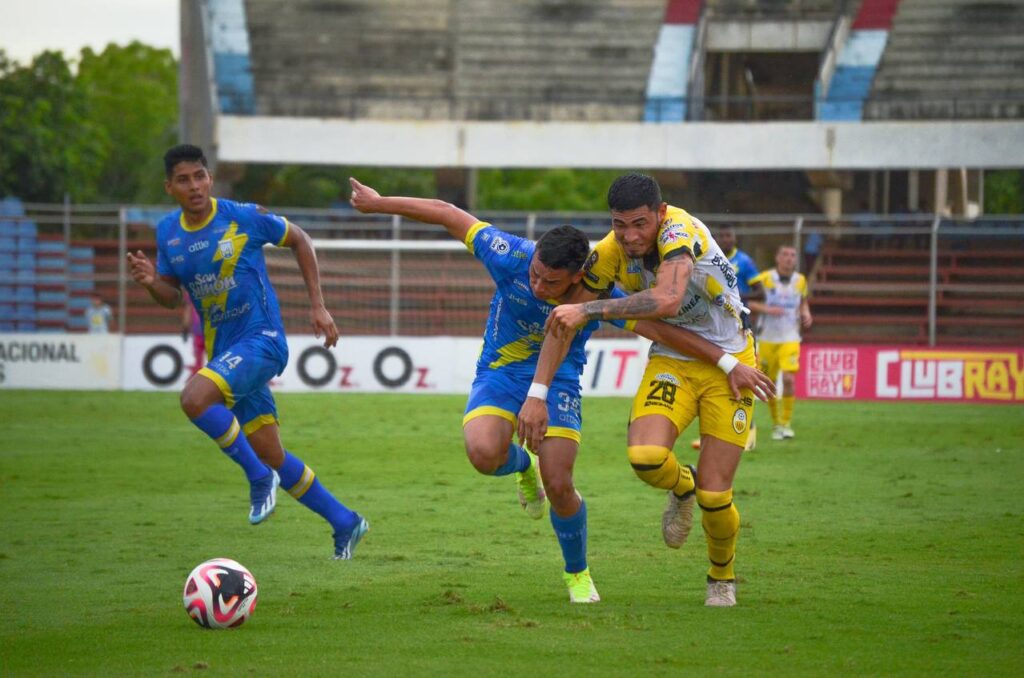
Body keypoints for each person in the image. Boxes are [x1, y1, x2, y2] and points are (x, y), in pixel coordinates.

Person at [348, 177, 774, 604]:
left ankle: (582, 575)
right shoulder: (510, 255)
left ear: (576, 278)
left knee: (562, 483)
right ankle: (522, 468)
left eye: (551, 284)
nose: (538, 287)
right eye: (535, 276)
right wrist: (379, 202)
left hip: (574, 377)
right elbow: (447, 211)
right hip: (504, 370)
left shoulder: (612, 275)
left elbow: (655, 319)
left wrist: (727, 361)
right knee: (482, 453)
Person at [126, 144, 368, 559]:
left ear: (210, 178)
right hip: (225, 353)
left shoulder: (242, 216)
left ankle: (258, 480)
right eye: (183, 180)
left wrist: (317, 305)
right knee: (271, 451)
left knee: (194, 398)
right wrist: (151, 281)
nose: (194, 186)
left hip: (263, 341)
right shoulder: (168, 232)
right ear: (170, 187)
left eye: (199, 176)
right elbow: (171, 297)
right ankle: (345, 521)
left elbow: (301, 240)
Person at [541, 173, 759, 607]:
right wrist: (535, 392)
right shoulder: (607, 253)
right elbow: (566, 316)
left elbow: (667, 300)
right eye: (619, 225)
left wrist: (588, 309)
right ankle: (683, 486)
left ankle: (721, 577)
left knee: (717, 496)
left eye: (639, 224)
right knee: (645, 457)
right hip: (673, 361)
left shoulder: (681, 232)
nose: (629, 236)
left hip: (732, 364)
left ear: (660, 214)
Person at [748, 245, 812, 440]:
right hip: (767, 339)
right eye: (785, 254)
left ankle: (786, 423)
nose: (789, 258)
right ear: (777, 258)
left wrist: (805, 312)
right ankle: (776, 424)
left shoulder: (800, 281)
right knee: (770, 384)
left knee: (788, 379)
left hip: (790, 338)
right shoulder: (764, 279)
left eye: (792, 255)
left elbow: (802, 301)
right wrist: (767, 310)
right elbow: (747, 301)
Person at [182, 296, 205, 376]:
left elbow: (188, 311)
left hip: (198, 331)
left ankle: (197, 383)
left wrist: (185, 328)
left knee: (198, 361)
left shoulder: (192, 291)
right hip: (211, 330)